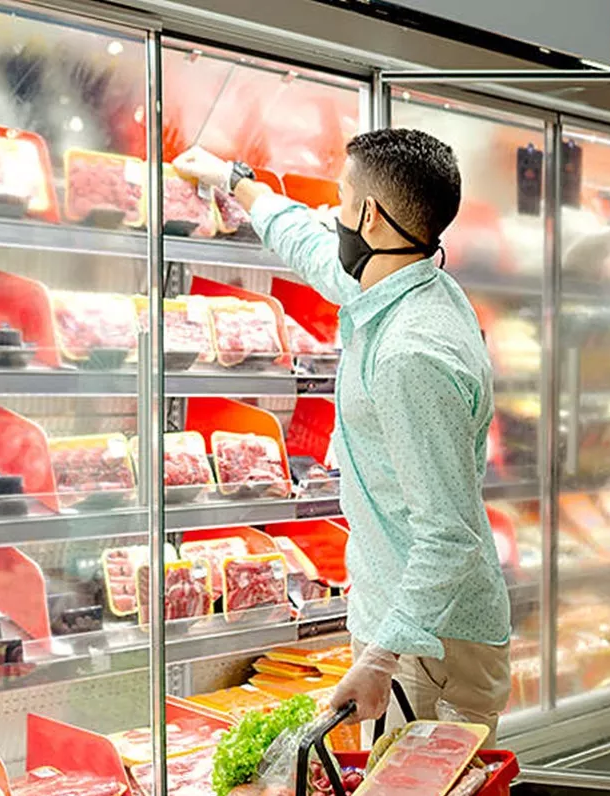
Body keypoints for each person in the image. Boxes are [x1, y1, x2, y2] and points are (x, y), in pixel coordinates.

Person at [174, 130, 512, 746]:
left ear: (369, 216)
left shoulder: (412, 354)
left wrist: (383, 656)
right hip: (409, 631)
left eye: (340, 199)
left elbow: (449, 533)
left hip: (430, 647)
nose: (332, 214)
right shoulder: (404, 281)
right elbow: (310, 247)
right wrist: (237, 182)